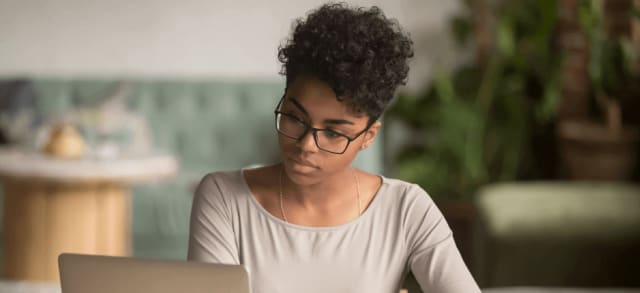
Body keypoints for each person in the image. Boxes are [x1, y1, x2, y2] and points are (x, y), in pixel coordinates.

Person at [188, 3, 481, 293]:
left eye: (332, 132)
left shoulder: (406, 209)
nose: (305, 145)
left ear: (368, 136)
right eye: (294, 117)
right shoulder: (224, 199)